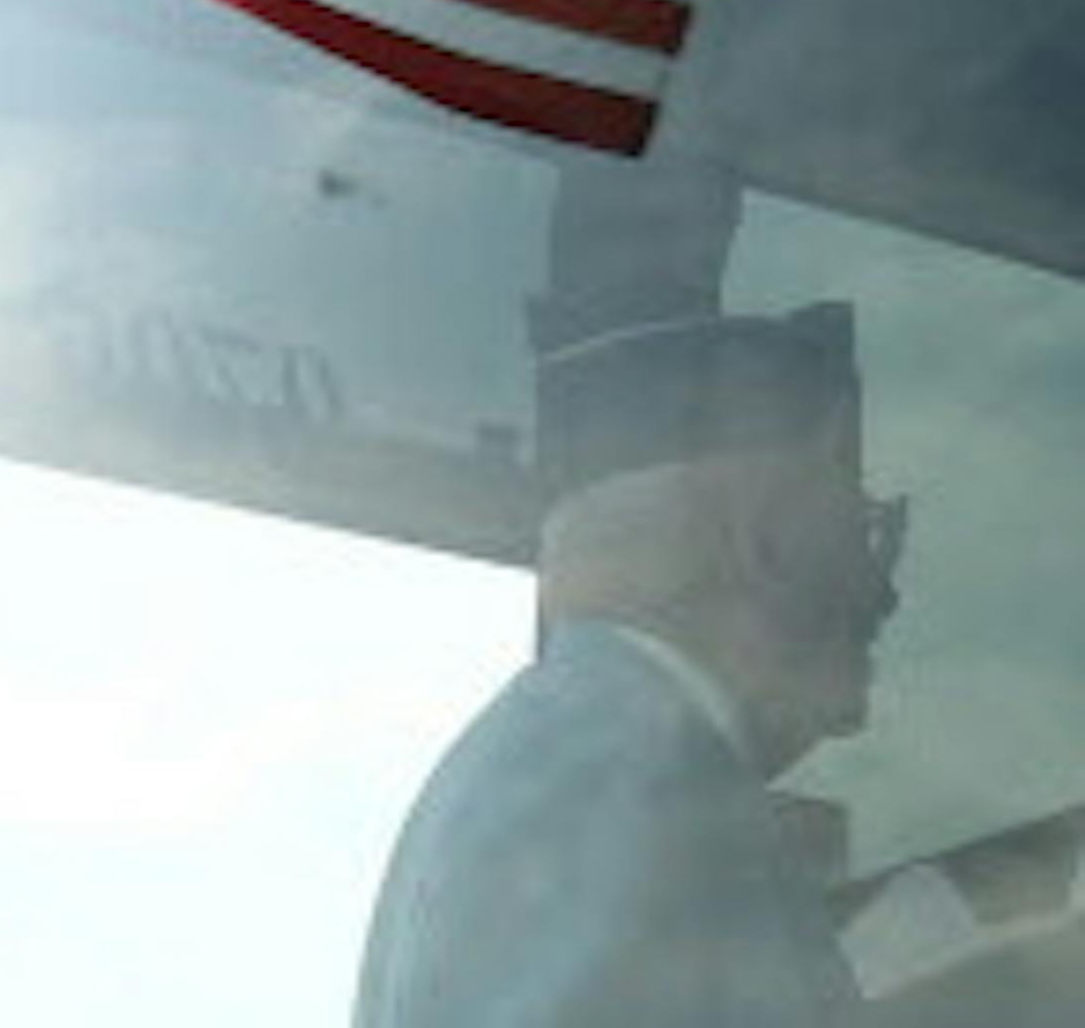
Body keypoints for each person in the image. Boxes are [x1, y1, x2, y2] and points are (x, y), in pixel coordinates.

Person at [354, 300, 902, 1027]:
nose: (884, 591)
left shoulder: (586, 754)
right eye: (860, 521)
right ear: (762, 530)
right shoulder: (625, 776)